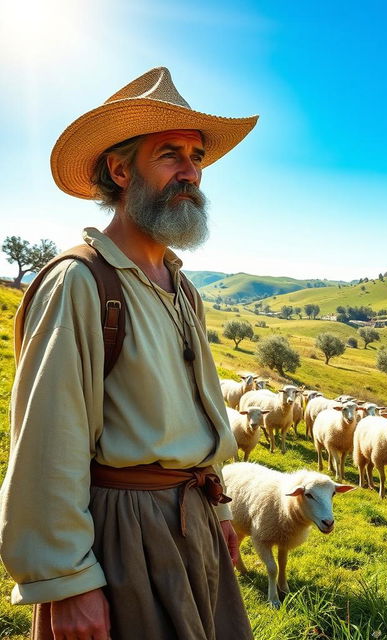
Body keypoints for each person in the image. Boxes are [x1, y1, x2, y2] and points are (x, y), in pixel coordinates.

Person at [0, 67, 258, 640]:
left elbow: (199, 412)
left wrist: (216, 510)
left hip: (191, 522)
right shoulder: (79, 282)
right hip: (124, 537)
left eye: (196, 157)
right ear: (121, 170)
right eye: (170, 154)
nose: (191, 171)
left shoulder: (181, 286)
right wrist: (67, 582)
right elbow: (47, 443)